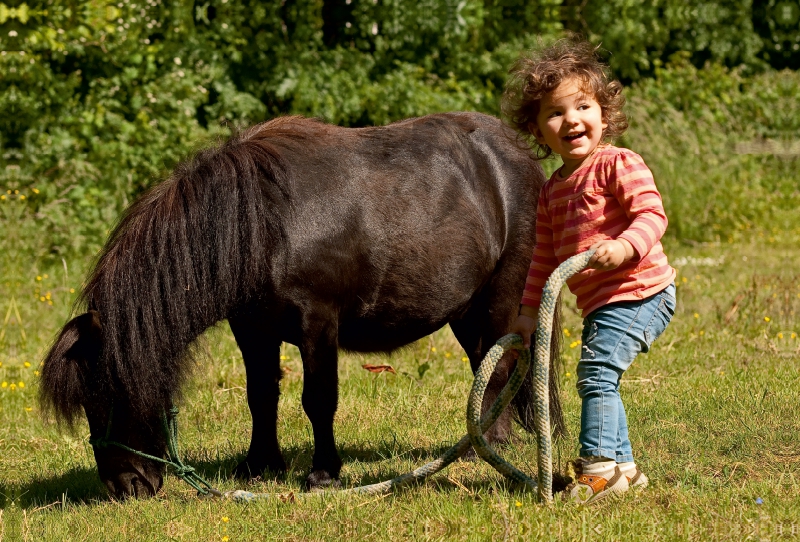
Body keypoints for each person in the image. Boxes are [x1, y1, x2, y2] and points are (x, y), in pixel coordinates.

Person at [502, 37, 677, 504]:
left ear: (604, 114)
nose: (572, 119)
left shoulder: (619, 163)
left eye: (583, 105)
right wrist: (526, 313)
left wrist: (624, 247)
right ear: (539, 132)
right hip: (603, 301)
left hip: (642, 292)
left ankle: (598, 468)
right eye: (555, 113)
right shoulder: (550, 191)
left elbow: (652, 216)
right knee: (601, 375)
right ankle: (624, 469)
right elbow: (544, 260)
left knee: (596, 373)